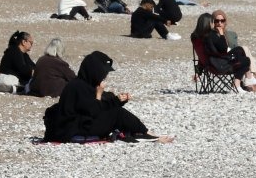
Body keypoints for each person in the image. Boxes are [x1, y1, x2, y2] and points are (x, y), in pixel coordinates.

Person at [42, 51, 171, 143]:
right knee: (116, 113)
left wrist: (118, 100)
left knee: (115, 110)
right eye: (103, 73)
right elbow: (93, 111)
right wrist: (100, 95)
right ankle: (145, 133)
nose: (104, 76)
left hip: (79, 125)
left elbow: (102, 105)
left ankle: (144, 132)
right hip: (74, 129)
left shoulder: (85, 83)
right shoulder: (78, 87)